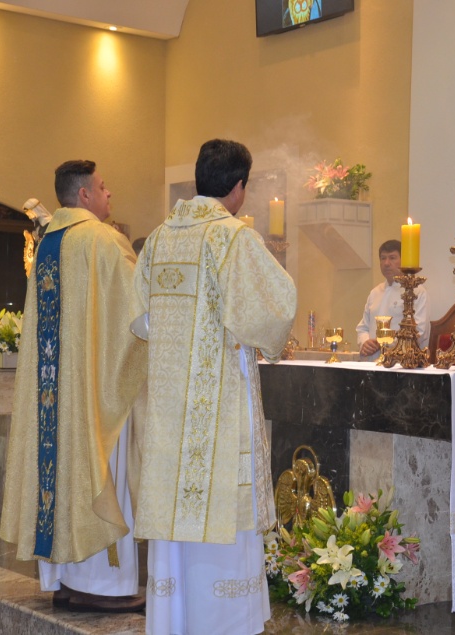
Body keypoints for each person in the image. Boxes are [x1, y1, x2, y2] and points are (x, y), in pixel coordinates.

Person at [133, 139, 296, 635]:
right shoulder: (233, 239)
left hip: (167, 417)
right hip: (218, 412)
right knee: (222, 516)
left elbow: (140, 320)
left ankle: (175, 622)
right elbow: (275, 313)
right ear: (239, 187)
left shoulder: (159, 239)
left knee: (177, 526)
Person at [0, 160, 147, 612]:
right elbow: (139, 314)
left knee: (56, 478)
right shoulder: (104, 241)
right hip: (92, 392)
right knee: (99, 474)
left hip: (52, 393)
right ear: (84, 195)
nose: (109, 194)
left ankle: (63, 580)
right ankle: (103, 587)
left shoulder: (47, 244)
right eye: (103, 187)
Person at [356, 239, 430, 361]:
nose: (386, 263)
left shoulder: (417, 291)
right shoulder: (375, 293)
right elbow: (363, 327)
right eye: (383, 258)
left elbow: (420, 331)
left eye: (392, 258)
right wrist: (365, 343)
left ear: (403, 260)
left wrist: (385, 343)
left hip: (404, 363)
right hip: (373, 363)